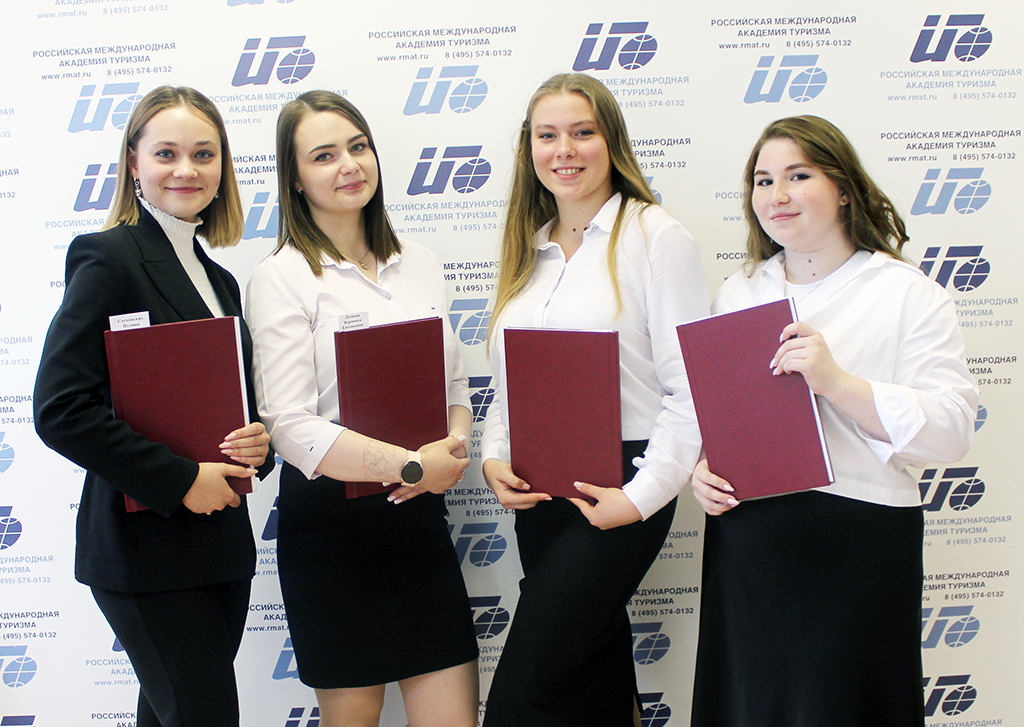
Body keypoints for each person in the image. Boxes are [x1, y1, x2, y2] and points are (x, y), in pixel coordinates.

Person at [689, 115, 978, 727]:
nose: (777, 195)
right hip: (749, 541)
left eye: (799, 176)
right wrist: (705, 470)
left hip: (857, 540)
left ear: (843, 188)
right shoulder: (738, 292)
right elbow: (720, 418)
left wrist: (838, 383)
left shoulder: (906, 292)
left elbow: (952, 429)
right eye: (763, 180)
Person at [33, 86, 273, 727]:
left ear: (223, 168)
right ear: (133, 164)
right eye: (166, 153)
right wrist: (181, 478)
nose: (186, 170)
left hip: (220, 545)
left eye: (204, 154)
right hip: (143, 550)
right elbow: (60, 409)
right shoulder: (109, 257)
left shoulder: (219, 280)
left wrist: (259, 445)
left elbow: (235, 406)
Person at [479, 72, 707, 726]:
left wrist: (639, 498)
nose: (564, 150)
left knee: (525, 695)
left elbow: (691, 388)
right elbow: (510, 381)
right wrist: (495, 455)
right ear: (529, 148)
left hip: (623, 482)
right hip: (538, 489)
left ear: (612, 142)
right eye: (547, 135)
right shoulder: (530, 246)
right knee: (590, 680)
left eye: (582, 132)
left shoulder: (655, 236)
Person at [244, 90, 478, 727]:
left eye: (358, 146)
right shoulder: (282, 275)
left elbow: (455, 388)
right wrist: (412, 466)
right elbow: (289, 426)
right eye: (323, 155)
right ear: (295, 178)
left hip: (418, 520)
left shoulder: (420, 263)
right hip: (333, 533)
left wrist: (453, 448)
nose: (348, 165)